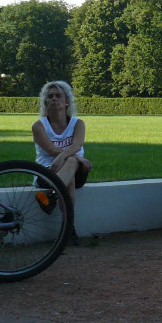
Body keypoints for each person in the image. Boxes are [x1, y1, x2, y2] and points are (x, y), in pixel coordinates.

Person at [32, 81, 92, 245]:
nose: (54, 99)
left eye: (59, 95)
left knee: (71, 162)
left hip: (78, 170)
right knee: (70, 175)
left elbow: (77, 144)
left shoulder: (77, 124)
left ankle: (50, 196)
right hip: (48, 172)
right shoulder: (39, 126)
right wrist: (78, 157)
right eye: (50, 96)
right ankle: (69, 230)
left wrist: (64, 159)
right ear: (45, 102)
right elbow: (51, 150)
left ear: (67, 101)